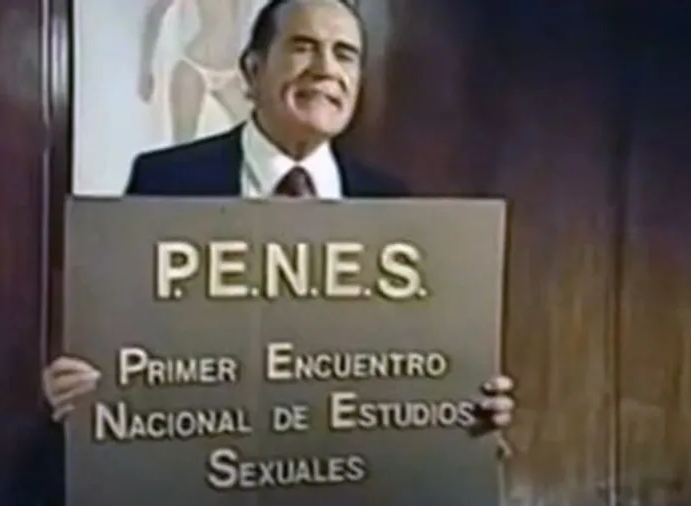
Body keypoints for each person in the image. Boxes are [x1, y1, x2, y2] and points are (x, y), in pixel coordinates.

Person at [49, 0, 515, 434]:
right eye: (303, 47)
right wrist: (81, 384)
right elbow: (123, 344)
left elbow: (411, 367)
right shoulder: (166, 180)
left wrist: (463, 411)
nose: (326, 69)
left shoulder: (391, 203)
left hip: (341, 467)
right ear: (253, 71)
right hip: (203, 463)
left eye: (345, 54)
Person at [138, 0, 258, 143]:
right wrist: (145, 70)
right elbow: (155, 13)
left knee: (255, 134)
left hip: (230, 71)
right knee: (183, 141)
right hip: (194, 67)